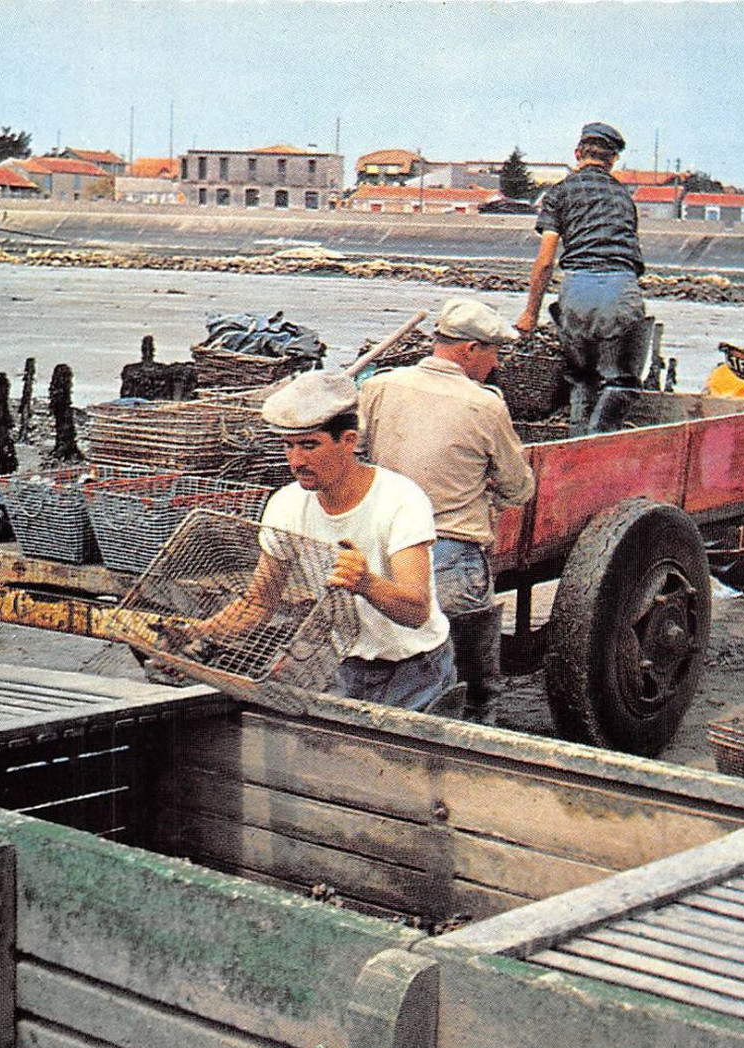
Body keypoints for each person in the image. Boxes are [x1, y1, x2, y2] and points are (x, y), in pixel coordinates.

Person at [187, 373, 456, 711]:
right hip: (349, 662)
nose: (297, 461)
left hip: (416, 668)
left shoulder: (400, 499)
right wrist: (198, 634)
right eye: (289, 446)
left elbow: (417, 611)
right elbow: (259, 602)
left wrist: (366, 583)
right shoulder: (286, 505)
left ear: (348, 441)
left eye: (310, 445)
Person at [360, 297, 535, 724]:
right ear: (469, 350)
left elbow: (357, 457)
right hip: (452, 558)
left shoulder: (379, 386)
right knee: (471, 690)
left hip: (384, 553)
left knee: (388, 672)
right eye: (493, 353)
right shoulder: (485, 404)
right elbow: (519, 487)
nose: (495, 365)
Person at [515, 121, 650, 435]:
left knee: (581, 378)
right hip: (620, 286)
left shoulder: (559, 193)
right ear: (613, 160)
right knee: (621, 381)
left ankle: (577, 445)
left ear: (577, 153)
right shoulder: (624, 198)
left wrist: (530, 314)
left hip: (577, 288)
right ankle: (599, 441)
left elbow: (546, 261)